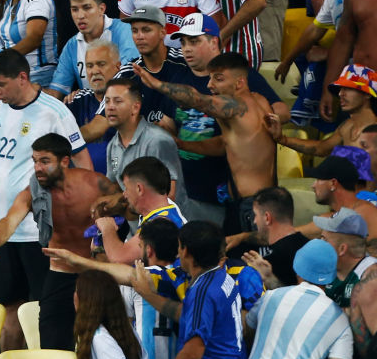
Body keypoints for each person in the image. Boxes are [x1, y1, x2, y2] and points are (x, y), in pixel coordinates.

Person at [0, 50, 91, 350]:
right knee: (6, 311)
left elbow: (82, 163)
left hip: (40, 234)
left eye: (1, 84)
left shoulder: (54, 112)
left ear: (23, 78)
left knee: (48, 311)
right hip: (4, 233)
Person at [0, 134, 115, 351]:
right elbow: (9, 220)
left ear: (65, 161)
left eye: (44, 161)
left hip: (92, 270)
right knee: (51, 343)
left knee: (99, 341)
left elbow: (128, 209)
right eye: (35, 161)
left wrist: (110, 212)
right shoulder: (32, 191)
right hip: (59, 272)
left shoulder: (94, 183)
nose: (37, 168)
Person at [136, 51, 276, 234]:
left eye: (218, 79)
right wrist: (183, 144)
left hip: (254, 207)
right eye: (210, 78)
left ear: (239, 82)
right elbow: (225, 144)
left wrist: (157, 84)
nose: (210, 85)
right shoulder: (259, 101)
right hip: (250, 203)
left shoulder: (236, 106)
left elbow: (196, 99)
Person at [171, 13, 288, 224]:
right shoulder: (179, 78)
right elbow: (168, 123)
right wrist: (178, 142)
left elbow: (281, 110)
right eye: (183, 42)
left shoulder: (239, 75)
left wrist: (255, 124)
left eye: (194, 41)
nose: (186, 48)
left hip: (236, 189)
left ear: (214, 41)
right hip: (192, 188)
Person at [46, 218, 188, 359]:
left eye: (140, 246)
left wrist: (77, 260)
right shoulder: (183, 278)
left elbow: (127, 279)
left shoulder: (141, 279)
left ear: (149, 250)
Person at [129, 221, 247, 359]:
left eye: (179, 246)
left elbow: (194, 352)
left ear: (186, 252)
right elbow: (188, 314)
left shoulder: (202, 292)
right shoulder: (221, 277)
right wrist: (147, 295)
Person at [240, 238, 353, 359]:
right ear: (331, 277)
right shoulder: (338, 319)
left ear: (297, 269)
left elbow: (247, 330)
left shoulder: (269, 298)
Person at [45, 270, 152, 359]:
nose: (74, 295)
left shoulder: (101, 337)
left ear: (86, 300)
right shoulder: (112, 324)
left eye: (77, 291)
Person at [270, 65, 377, 160]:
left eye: (348, 89)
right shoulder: (347, 125)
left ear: (367, 94)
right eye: (340, 89)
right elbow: (321, 148)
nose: (340, 94)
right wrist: (282, 139)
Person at [48, 0, 136, 97]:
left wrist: (84, 95)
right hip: (91, 109)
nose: (80, 16)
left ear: (101, 9)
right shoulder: (72, 46)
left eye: (86, 8)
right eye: (75, 9)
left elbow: (128, 78)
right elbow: (57, 92)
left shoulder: (124, 31)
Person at [111, 4, 192, 128]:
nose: (139, 36)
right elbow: (103, 119)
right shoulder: (127, 73)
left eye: (146, 30)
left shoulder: (186, 62)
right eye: (134, 31)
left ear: (162, 33)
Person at [97, 156, 185, 265]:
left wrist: (107, 227)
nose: (124, 194)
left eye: (126, 188)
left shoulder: (161, 223)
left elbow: (119, 257)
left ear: (139, 188)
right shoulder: (162, 208)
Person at [103, 78, 184, 194]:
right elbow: (115, 186)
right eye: (107, 101)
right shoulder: (112, 145)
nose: (110, 107)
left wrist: (120, 200)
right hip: (136, 211)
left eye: (118, 101)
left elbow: (169, 194)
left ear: (135, 108)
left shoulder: (158, 140)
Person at [300, 157, 377, 261]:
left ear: (333, 184)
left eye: (318, 179)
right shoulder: (341, 214)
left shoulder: (364, 211)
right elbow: (297, 232)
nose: (313, 185)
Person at [240, 186, 309, 288]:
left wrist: (267, 278)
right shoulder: (308, 245)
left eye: (256, 215)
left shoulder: (270, 261)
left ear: (267, 218)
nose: (254, 221)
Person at [68, 39, 121, 171]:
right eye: (90, 66)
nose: (95, 71)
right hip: (82, 184)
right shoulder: (76, 101)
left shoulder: (128, 100)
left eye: (101, 64)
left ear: (118, 67)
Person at [316, 206, 377, 308]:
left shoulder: (372, 277)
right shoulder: (329, 269)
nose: (319, 244)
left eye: (325, 240)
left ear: (342, 249)